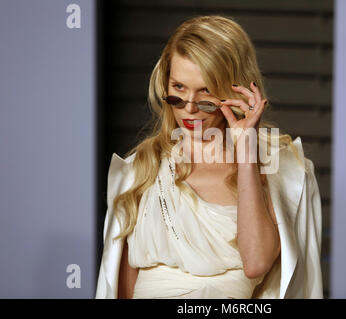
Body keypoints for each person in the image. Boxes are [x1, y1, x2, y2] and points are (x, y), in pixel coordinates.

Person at [96, 15, 323, 299]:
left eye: (206, 92)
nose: (190, 108)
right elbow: (123, 289)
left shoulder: (281, 170)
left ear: (235, 89)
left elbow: (256, 263)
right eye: (178, 88)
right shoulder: (140, 169)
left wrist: (246, 153)